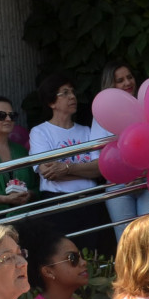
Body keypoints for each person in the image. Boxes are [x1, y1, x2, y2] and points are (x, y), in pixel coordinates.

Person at [29, 74, 109, 253]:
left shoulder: (87, 131)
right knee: (63, 257)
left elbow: (99, 168)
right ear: (51, 102)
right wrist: (85, 170)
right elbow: (48, 171)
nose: (72, 96)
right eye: (64, 93)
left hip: (89, 202)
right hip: (58, 205)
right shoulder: (40, 132)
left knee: (92, 256)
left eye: (72, 92)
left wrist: (66, 168)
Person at [93, 60, 149, 237]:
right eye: (120, 80)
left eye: (129, 77)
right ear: (110, 84)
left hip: (147, 179)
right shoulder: (102, 111)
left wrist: (141, 172)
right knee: (126, 241)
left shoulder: (145, 103)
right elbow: (101, 153)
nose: (127, 83)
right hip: (117, 185)